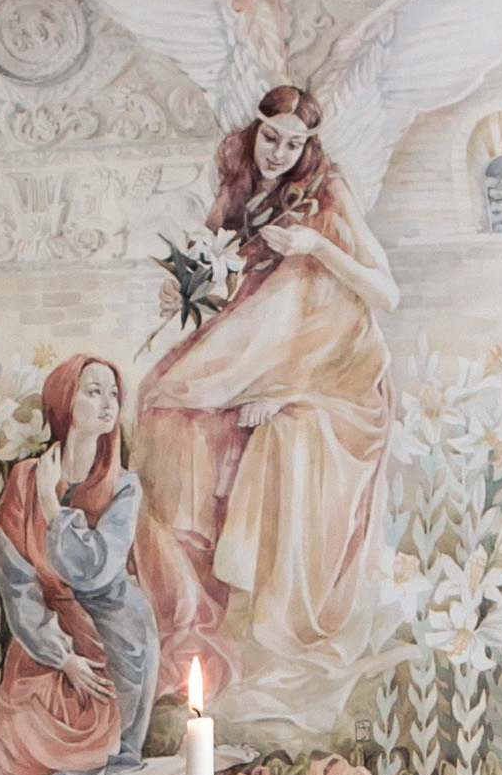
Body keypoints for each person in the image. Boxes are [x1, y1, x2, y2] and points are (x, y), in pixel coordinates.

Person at [127, 81, 400, 739]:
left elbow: (384, 292)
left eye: (293, 143)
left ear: (309, 146)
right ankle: (190, 613)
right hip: (262, 355)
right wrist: (188, 295)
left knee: (277, 432)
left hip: (333, 368)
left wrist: (316, 248)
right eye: (270, 137)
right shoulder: (237, 185)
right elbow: (238, 296)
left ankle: (267, 631)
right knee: (167, 413)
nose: (278, 152)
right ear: (254, 131)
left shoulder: (327, 192)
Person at [0, 354, 173, 775]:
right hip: (46, 640)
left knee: (104, 759)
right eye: (93, 391)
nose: (108, 403)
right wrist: (61, 655)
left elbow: (96, 570)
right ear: (65, 401)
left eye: (114, 393)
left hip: (116, 639)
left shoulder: (124, 487)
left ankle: (170, 772)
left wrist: (55, 510)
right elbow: (16, 580)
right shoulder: (24, 479)